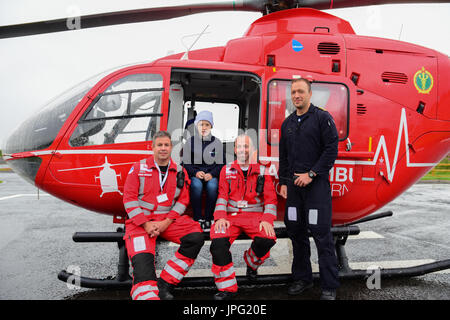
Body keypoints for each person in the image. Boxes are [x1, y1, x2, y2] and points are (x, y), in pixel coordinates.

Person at [122, 131, 205, 300]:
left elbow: (183, 201)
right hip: (141, 224)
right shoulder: (138, 168)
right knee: (144, 269)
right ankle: (147, 292)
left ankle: (165, 283)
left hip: (167, 221)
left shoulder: (180, 171)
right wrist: (145, 224)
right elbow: (129, 199)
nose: (163, 148)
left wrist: (166, 222)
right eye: (159, 145)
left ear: (171, 148)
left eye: (166, 145)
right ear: (152, 148)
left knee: (195, 237)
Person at [279, 78, 340, 300]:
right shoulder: (287, 124)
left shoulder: (323, 118)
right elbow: (283, 158)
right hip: (294, 191)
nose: (297, 95)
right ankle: (302, 279)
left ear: (310, 94)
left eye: (301, 91)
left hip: (316, 188)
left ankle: (329, 286)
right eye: (294, 92)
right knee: (296, 233)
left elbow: (331, 150)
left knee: (321, 235)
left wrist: (311, 174)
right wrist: (283, 182)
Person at [209, 134, 277, 300]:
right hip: (230, 218)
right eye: (239, 147)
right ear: (235, 149)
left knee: (267, 239)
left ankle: (251, 263)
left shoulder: (263, 170)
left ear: (252, 150)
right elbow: (222, 196)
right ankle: (226, 288)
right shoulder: (227, 169)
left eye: (246, 147)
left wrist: (267, 220)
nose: (242, 150)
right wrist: (219, 217)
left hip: (255, 218)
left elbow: (270, 199)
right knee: (218, 244)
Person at [182, 110, 225, 230]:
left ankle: (208, 218)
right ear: (196, 126)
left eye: (207, 124)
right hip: (195, 174)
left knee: (212, 187)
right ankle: (197, 218)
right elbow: (186, 163)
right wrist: (195, 173)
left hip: (211, 175)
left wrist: (212, 174)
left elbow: (222, 164)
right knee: (196, 186)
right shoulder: (190, 142)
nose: (204, 127)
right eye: (201, 124)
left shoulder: (217, 142)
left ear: (211, 126)